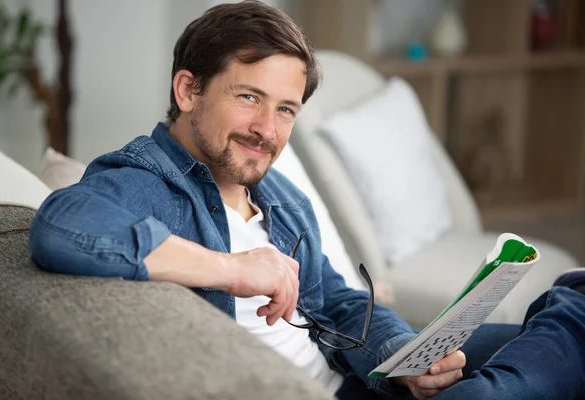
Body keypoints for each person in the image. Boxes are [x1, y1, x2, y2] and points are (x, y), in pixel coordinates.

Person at [28, 1, 585, 399]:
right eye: (249, 97)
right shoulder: (147, 180)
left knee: (574, 306)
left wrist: (408, 356)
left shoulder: (277, 195)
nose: (267, 129)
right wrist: (229, 269)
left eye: (286, 109)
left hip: (360, 378)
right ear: (188, 90)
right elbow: (61, 225)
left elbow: (341, 306)